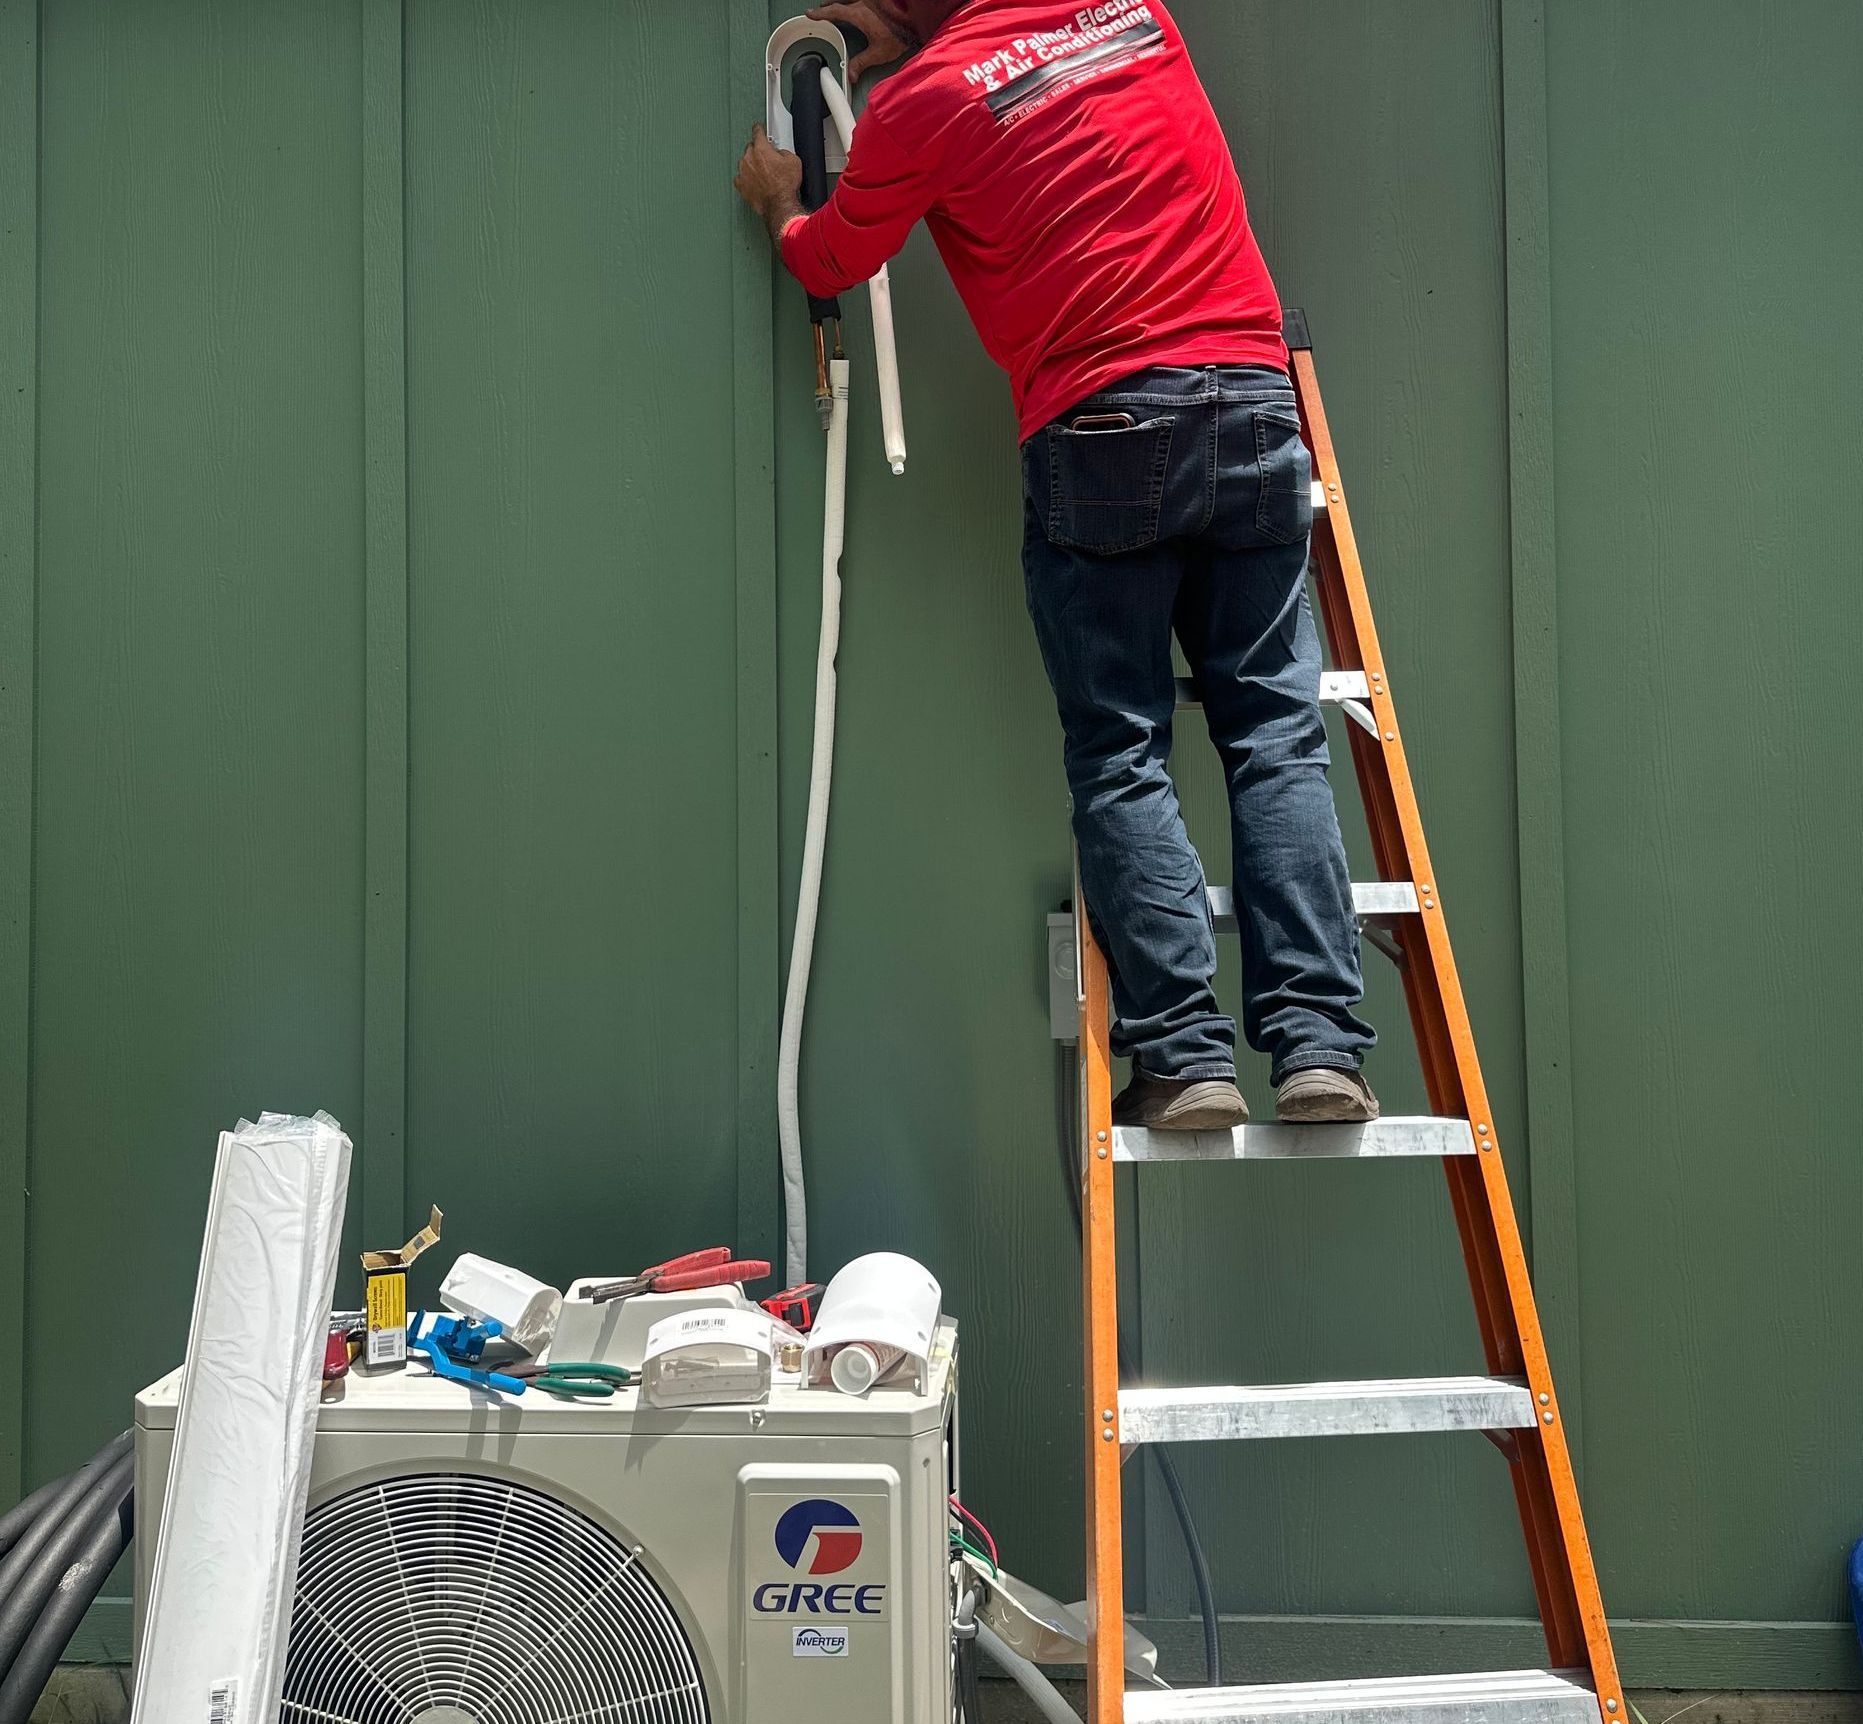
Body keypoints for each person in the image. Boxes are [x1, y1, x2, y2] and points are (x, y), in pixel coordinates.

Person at [735, 0, 1378, 1129]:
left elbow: (837, 254)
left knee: (1122, 750)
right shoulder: (1133, 12)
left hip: (1104, 418)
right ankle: (1320, 1047)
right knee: (1275, 734)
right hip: (1250, 389)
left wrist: (783, 204)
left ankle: (1186, 1058)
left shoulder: (924, 104)